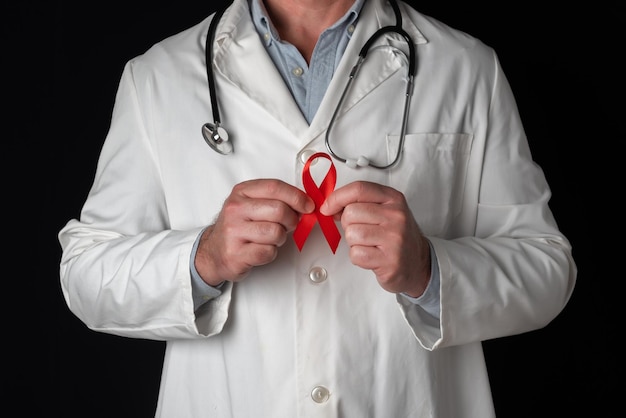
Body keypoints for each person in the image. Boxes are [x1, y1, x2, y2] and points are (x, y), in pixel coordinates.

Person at [58, 0, 577, 416]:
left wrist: (430, 270)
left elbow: (548, 267)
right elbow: (85, 274)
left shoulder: (465, 69)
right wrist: (203, 260)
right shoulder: (159, 77)